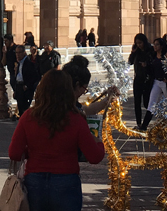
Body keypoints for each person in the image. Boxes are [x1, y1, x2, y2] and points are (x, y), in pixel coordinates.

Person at [8, 69, 105, 211]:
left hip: (35, 181)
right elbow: (95, 157)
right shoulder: (76, 119)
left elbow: (14, 153)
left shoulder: (28, 116)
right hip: (66, 181)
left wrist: (32, 151)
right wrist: (99, 142)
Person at [140, 39, 167, 132]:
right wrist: (146, 66)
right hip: (156, 82)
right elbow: (151, 69)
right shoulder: (153, 56)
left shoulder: (166, 56)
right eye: (154, 44)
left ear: (161, 46)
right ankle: (144, 125)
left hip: (165, 82)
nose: (155, 46)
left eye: (157, 45)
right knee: (151, 103)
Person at [127, 34, 155, 128]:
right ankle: (138, 123)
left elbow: (154, 62)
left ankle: (148, 121)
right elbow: (130, 62)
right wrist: (133, 52)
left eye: (140, 43)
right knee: (137, 102)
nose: (139, 45)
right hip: (138, 79)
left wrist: (147, 64)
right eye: (137, 43)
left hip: (147, 79)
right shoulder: (137, 51)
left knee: (147, 102)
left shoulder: (150, 50)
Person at [10, 44, 40, 117]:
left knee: (25, 109)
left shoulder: (29, 63)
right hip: (19, 86)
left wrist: (27, 86)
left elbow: (35, 77)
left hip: (25, 88)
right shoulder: (18, 63)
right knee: (20, 108)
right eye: (16, 53)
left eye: (19, 52)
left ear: (24, 53)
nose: (17, 55)